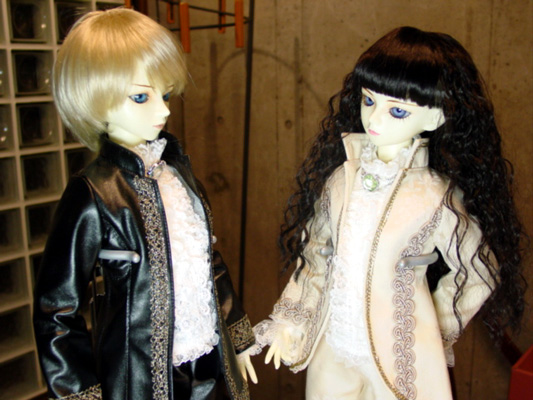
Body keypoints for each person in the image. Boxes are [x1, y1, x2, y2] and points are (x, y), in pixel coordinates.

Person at [252, 26, 525, 399]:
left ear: (435, 118)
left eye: (397, 110)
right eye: (369, 101)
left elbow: (479, 270)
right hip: (333, 345)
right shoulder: (340, 180)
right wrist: (291, 319)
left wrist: (431, 328)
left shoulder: (433, 195)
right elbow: (316, 254)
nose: (375, 120)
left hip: (399, 357)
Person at [33, 8, 256, 400]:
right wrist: (79, 390)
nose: (164, 110)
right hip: (139, 377)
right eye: (141, 96)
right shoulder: (94, 192)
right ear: (94, 98)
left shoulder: (177, 173)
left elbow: (209, 262)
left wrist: (238, 337)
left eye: (165, 94)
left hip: (208, 363)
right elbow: (57, 309)